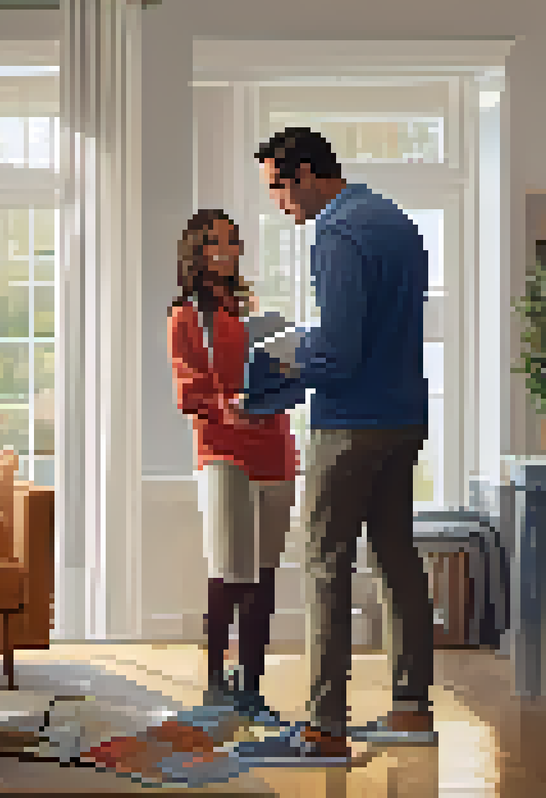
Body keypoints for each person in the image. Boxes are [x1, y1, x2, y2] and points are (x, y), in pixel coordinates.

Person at [237, 127, 435, 760]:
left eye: (277, 188)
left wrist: (280, 368)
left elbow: (342, 351)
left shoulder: (338, 229)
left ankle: (323, 727)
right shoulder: (396, 221)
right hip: (403, 414)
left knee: (325, 560)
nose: (278, 204)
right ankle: (410, 710)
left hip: (351, 422)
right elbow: (376, 332)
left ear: (303, 174)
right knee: (396, 555)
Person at [166, 209, 296, 721]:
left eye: (232, 241)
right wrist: (229, 403)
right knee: (228, 572)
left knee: (263, 576)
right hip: (223, 451)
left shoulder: (250, 308)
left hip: (275, 450)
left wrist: (288, 370)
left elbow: (273, 366)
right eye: (214, 241)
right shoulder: (183, 316)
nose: (226, 249)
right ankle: (216, 685)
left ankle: (252, 687)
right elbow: (187, 387)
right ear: (195, 251)